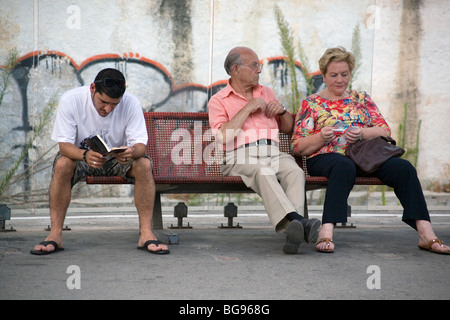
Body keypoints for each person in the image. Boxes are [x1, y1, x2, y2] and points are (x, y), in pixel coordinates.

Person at [291, 47, 450, 254]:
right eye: (334, 75)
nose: (340, 79)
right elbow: (297, 145)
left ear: (350, 74)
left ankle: (425, 233)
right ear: (324, 75)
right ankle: (326, 229)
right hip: (326, 158)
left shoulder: (361, 99)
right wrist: (322, 136)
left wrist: (361, 134)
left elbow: (384, 130)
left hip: (365, 157)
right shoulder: (311, 103)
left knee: (404, 168)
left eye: (344, 74)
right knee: (343, 165)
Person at [30, 68, 170, 255]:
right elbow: (64, 146)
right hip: (82, 157)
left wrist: (130, 152)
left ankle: (146, 233)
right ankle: (55, 234)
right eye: (103, 102)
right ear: (92, 88)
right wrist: (84, 155)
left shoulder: (131, 103)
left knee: (143, 164)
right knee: (63, 164)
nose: (108, 109)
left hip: (117, 159)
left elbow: (141, 147)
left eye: (114, 104)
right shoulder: (71, 100)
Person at [208, 46, 320, 254]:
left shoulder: (267, 92)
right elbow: (223, 136)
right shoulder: (218, 100)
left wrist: (283, 111)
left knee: (294, 171)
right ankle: (298, 221)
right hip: (238, 155)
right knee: (263, 171)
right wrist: (248, 108)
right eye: (253, 66)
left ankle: (293, 233)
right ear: (235, 69)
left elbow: (287, 128)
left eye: (258, 66)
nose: (259, 70)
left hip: (273, 152)